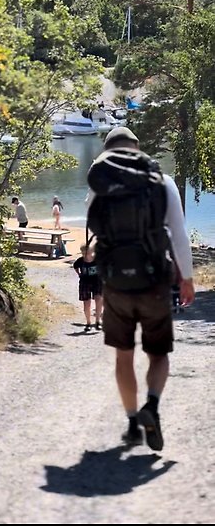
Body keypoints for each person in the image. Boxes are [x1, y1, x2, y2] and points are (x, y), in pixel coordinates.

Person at [86, 127, 195, 451]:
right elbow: (178, 233)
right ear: (136, 146)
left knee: (124, 355)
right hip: (154, 280)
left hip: (115, 282)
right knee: (158, 353)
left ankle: (133, 424)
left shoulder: (100, 179)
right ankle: (152, 405)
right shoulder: (160, 179)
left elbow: (93, 226)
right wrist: (186, 278)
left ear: (108, 150)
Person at [73, 244, 103, 332]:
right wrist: (79, 274)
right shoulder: (80, 261)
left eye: (88, 252)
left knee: (99, 299)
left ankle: (98, 321)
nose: (86, 255)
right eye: (84, 253)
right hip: (85, 282)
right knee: (87, 303)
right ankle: (88, 323)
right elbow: (75, 267)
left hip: (97, 281)